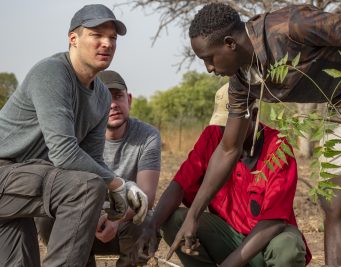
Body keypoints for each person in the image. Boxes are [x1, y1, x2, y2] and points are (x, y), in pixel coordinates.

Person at [169, 3, 341, 267]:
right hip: (339, 104)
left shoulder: (291, 25)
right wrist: (194, 215)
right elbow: (228, 149)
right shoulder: (242, 82)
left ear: (230, 43)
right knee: (332, 200)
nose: (208, 68)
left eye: (209, 58)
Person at [0, 5, 148, 267]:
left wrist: (113, 194)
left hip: (24, 185)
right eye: (96, 35)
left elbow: (91, 160)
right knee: (85, 188)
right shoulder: (52, 73)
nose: (107, 43)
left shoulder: (101, 95)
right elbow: (63, 152)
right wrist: (117, 185)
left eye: (112, 38)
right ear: (73, 39)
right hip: (6, 173)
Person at [138, 84, 312, 267]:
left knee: (288, 248)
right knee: (175, 220)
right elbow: (180, 184)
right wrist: (151, 227)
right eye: (223, 125)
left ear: (253, 115)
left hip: (267, 243)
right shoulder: (212, 137)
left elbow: (273, 222)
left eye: (233, 124)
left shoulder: (277, 147)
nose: (226, 132)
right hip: (230, 238)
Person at [36, 70, 161, 267]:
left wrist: (116, 220)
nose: (113, 105)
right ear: (92, 104)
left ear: (129, 99)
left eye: (118, 96)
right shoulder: (74, 136)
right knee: (46, 219)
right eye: (104, 97)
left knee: (146, 222)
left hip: (123, 226)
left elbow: (147, 196)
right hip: (82, 221)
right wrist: (88, 218)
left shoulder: (148, 136)